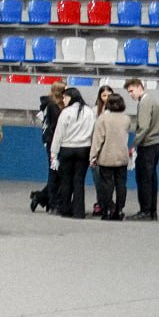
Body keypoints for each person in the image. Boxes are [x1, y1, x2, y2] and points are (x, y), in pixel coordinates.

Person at [89, 86, 132, 221]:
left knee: (107, 185)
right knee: (121, 185)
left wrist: (93, 156)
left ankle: (107, 209)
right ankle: (119, 210)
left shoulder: (102, 119)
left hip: (106, 157)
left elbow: (98, 140)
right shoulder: (126, 119)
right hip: (122, 156)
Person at [50, 86, 92, 219]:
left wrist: (53, 153)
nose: (63, 99)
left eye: (65, 97)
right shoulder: (89, 111)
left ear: (71, 97)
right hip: (84, 149)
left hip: (67, 148)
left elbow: (59, 134)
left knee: (66, 180)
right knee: (79, 181)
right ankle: (79, 211)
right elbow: (92, 131)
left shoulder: (66, 112)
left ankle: (66, 208)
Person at [131, 77, 159, 221]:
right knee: (151, 178)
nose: (130, 94)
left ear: (139, 87)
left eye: (131, 91)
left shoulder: (144, 103)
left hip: (147, 145)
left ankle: (145, 211)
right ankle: (152, 210)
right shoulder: (153, 101)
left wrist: (134, 144)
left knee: (144, 179)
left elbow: (143, 127)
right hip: (155, 143)